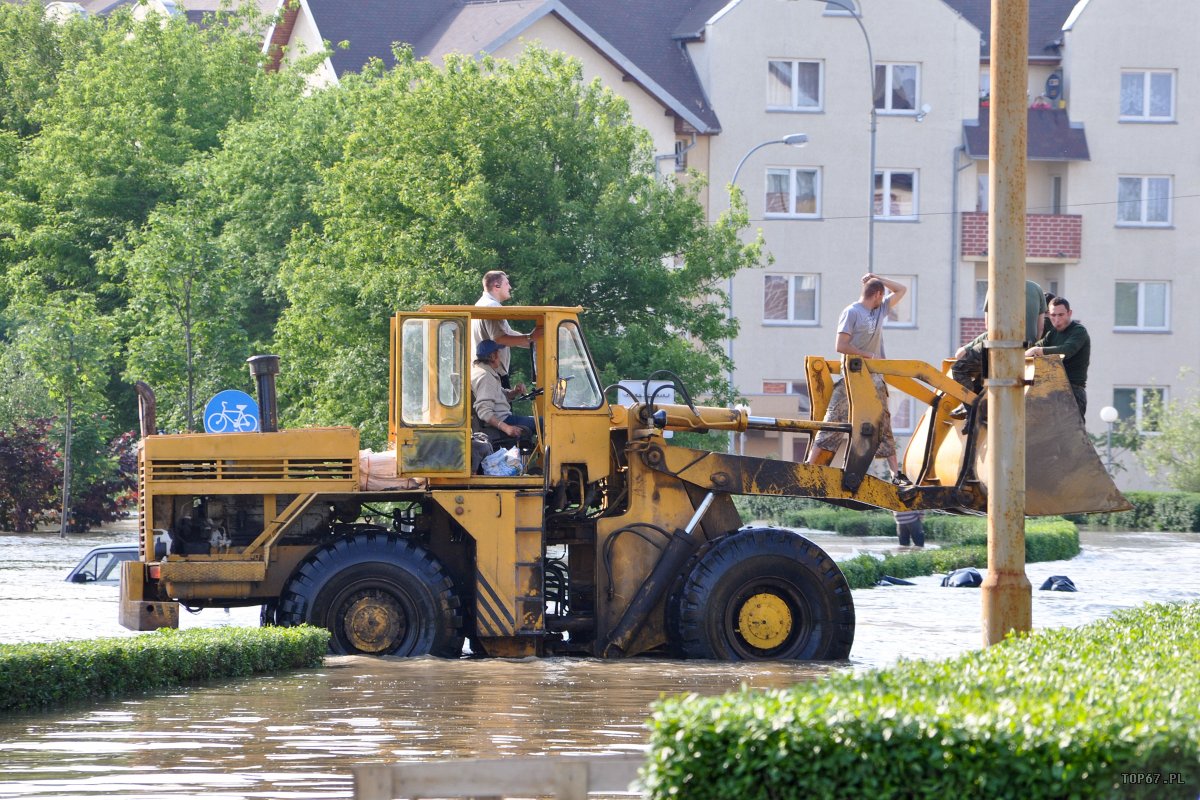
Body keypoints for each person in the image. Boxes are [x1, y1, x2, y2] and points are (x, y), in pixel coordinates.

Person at [805, 272, 908, 484]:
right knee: (833, 420)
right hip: (852, 377)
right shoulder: (852, 312)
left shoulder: (880, 309)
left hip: (875, 378)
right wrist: (867, 355)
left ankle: (896, 475)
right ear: (878, 294)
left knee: (883, 423)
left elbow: (901, 290)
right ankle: (808, 468)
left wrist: (878, 277)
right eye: (882, 293)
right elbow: (840, 345)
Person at [950, 279, 1046, 416]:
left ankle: (971, 410)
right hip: (1027, 347)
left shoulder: (996, 286)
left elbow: (989, 327)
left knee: (959, 369)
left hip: (1001, 347)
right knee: (982, 377)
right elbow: (1040, 328)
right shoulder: (1037, 288)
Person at [473, 270, 542, 387]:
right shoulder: (492, 307)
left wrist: (533, 341)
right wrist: (530, 337)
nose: (510, 287)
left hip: (486, 373)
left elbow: (508, 334)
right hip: (494, 374)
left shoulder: (481, 304)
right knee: (500, 406)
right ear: (497, 286)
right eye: (507, 283)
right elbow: (500, 339)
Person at [1027, 296, 1090, 419]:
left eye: (1061, 315)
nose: (1056, 320)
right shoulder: (1052, 334)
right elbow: (1036, 347)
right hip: (1053, 391)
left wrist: (1036, 350)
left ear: (1069, 313)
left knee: (1072, 436)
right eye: (1053, 315)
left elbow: (1066, 351)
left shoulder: (1078, 331)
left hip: (1072, 391)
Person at [471, 339, 536, 438]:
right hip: (503, 419)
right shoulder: (485, 377)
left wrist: (514, 392)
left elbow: (498, 395)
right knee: (545, 423)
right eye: (499, 354)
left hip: (503, 417)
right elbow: (484, 411)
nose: (500, 358)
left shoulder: (484, 372)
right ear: (493, 356)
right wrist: (506, 428)